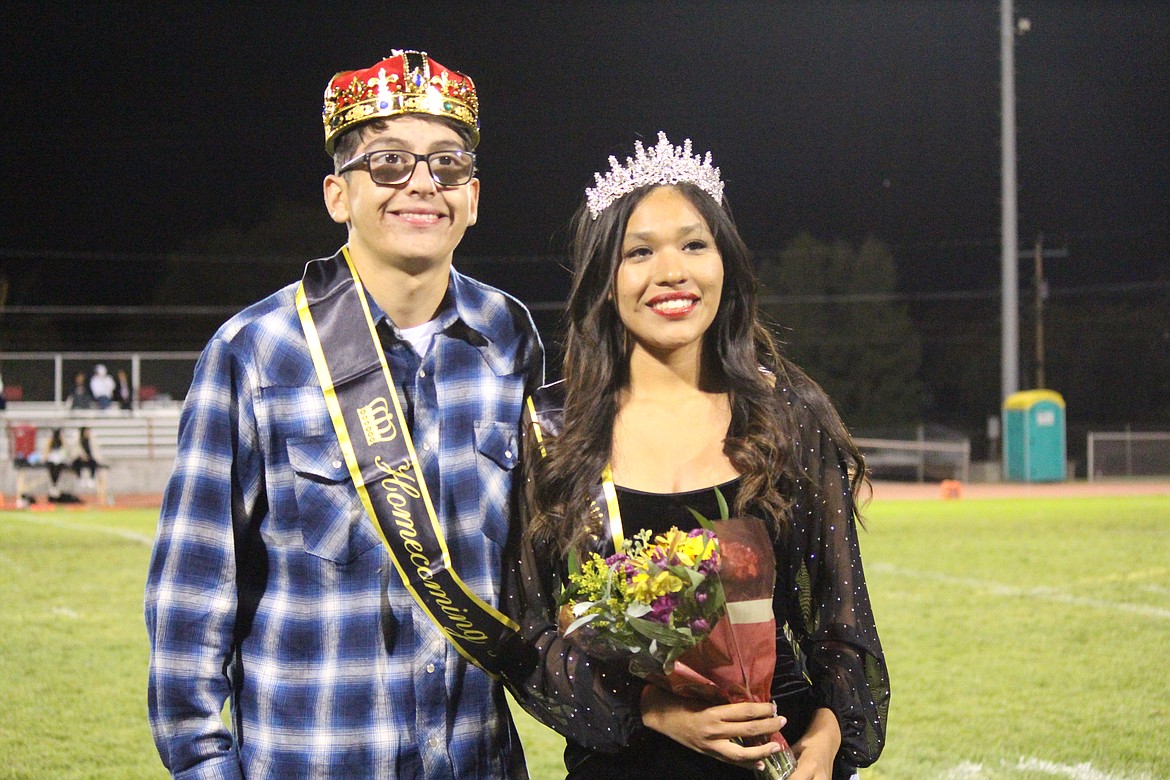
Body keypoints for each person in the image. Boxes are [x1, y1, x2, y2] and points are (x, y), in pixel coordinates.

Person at [144, 49, 542, 779]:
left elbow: (536, 560)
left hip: (478, 763)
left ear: (474, 196)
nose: (422, 183)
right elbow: (191, 596)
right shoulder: (253, 352)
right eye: (389, 162)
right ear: (338, 195)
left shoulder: (509, 338)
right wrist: (203, 765)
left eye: (447, 165)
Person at [505, 134, 889, 779]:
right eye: (639, 252)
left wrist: (824, 744)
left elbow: (841, 625)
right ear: (604, 280)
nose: (672, 272)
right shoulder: (553, 431)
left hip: (781, 761)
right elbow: (529, 631)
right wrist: (656, 709)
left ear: (725, 264)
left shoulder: (787, 416)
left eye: (693, 244)